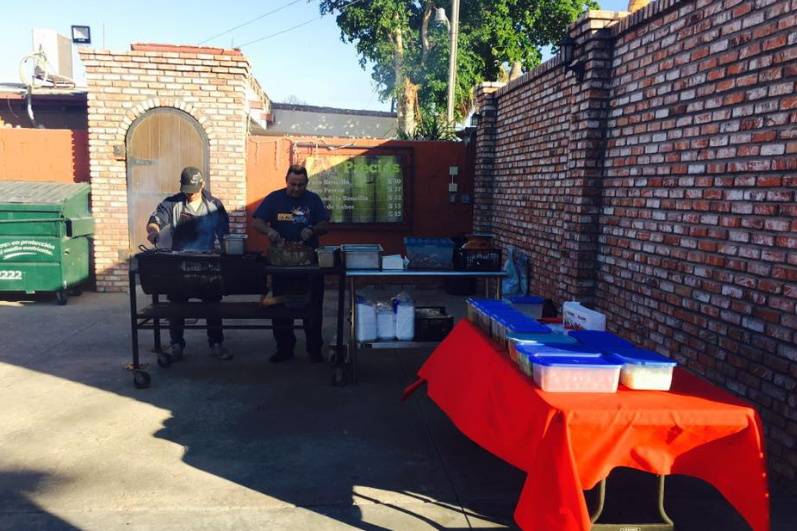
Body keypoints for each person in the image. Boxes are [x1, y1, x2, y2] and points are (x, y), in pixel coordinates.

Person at [146, 166, 232, 361]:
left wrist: (226, 251)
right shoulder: (172, 203)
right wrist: (153, 231)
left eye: (194, 190)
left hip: (206, 265)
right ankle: (176, 344)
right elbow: (155, 220)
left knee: (213, 305)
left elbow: (224, 233)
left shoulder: (214, 205)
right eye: (187, 190)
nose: (190, 194)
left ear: (202, 185)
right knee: (176, 305)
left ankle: (216, 343)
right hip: (180, 265)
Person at [253, 164, 330, 363]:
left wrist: (312, 230)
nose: (296, 188)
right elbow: (257, 221)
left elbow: (324, 224)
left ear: (307, 183)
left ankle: (314, 350)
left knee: (313, 307)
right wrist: (269, 231)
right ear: (286, 181)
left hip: (309, 264)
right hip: (281, 263)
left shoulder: (313, 200)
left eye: (301, 185)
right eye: (293, 184)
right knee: (280, 308)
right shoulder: (274, 198)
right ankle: (284, 349)